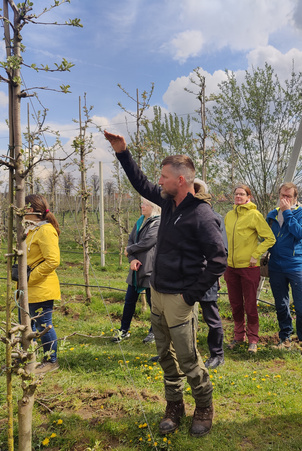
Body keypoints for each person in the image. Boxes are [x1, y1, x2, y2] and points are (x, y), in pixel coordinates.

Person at [104, 131, 227, 438]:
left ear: (180, 180)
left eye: (164, 177)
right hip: (157, 293)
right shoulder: (169, 202)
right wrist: (122, 152)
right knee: (165, 355)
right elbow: (141, 183)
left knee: (188, 358)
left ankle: (204, 406)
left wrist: (190, 296)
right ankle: (174, 405)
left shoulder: (201, 215)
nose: (158, 181)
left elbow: (218, 260)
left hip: (179, 299)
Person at [224, 184, 276, 354]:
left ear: (249, 197)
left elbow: (270, 238)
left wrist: (256, 254)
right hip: (231, 267)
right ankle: (238, 336)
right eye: (236, 194)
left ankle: (253, 339)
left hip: (249, 267)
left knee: (250, 305)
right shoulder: (229, 216)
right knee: (235, 304)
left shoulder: (254, 215)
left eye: (242, 194)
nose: (238, 196)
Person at [266, 182, 302, 360]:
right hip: (276, 265)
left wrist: (287, 212)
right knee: (281, 304)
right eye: (282, 195)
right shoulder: (272, 215)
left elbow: (300, 233)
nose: (284, 199)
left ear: (295, 198)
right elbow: (266, 237)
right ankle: (285, 337)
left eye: (288, 196)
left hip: (296, 265)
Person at [112, 198, 160, 344]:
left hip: (151, 268)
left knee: (153, 303)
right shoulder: (140, 221)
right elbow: (131, 240)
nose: (142, 206)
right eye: (142, 203)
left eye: (145, 204)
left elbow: (148, 242)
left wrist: (129, 250)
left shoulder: (158, 222)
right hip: (136, 268)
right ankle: (123, 330)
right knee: (129, 301)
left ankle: (154, 332)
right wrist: (132, 259)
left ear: (153, 206)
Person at [24, 194, 62, 375]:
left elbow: (53, 260)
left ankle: (51, 361)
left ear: (30, 209)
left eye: (23, 208)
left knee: (43, 325)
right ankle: (28, 360)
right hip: (27, 288)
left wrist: (30, 278)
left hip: (41, 288)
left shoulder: (46, 231)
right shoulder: (32, 229)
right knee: (26, 325)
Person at [194, 179, 227, 370]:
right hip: (183, 275)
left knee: (210, 316)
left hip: (205, 274)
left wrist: (211, 274)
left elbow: (222, 251)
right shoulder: (180, 215)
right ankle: (177, 351)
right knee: (179, 317)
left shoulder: (215, 217)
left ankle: (217, 354)